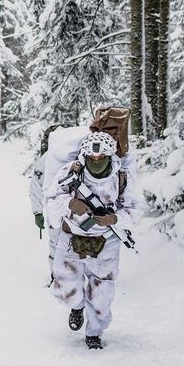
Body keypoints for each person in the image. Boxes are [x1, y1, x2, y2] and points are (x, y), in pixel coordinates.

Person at [44, 131, 139, 349]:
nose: (96, 160)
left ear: (110, 156)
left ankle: (94, 332)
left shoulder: (120, 177)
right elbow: (50, 199)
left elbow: (135, 209)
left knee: (102, 293)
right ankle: (77, 306)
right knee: (64, 288)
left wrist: (115, 218)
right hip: (71, 237)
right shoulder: (71, 171)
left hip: (106, 241)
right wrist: (69, 203)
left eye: (101, 157)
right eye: (92, 157)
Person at [29, 124, 62, 284]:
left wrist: (38, 212)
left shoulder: (46, 158)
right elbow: (36, 186)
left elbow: (35, 187)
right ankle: (59, 277)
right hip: (68, 209)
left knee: (57, 244)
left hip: (60, 209)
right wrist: (37, 212)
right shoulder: (47, 159)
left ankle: (59, 277)